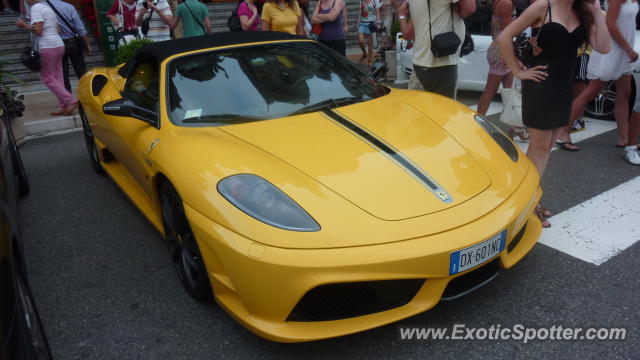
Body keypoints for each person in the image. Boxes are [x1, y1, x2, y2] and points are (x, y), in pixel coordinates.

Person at [496, 0, 610, 227]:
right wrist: (518, 71)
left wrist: (597, 12)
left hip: (564, 88)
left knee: (546, 148)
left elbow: (604, 47)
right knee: (538, 148)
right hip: (540, 85)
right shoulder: (543, 6)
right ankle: (528, 204)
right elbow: (504, 37)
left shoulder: (583, 11)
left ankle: (531, 198)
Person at [558, 0, 639, 162]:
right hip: (612, 50)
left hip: (623, 51)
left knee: (624, 94)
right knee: (590, 92)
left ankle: (623, 138)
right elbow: (610, 23)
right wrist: (628, 49)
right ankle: (563, 132)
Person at [397, 0, 476, 99]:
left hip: (419, 66)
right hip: (443, 64)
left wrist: (401, 15)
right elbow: (469, 8)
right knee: (443, 112)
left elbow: (408, 34)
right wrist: (457, 9)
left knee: (418, 112)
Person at [16, 0, 77, 115]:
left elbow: (38, 30)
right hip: (58, 44)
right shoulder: (47, 8)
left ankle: (71, 101)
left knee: (47, 78)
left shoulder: (35, 8)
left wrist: (24, 25)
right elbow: (58, 29)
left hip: (48, 46)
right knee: (58, 77)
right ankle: (63, 105)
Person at [477, 0, 516, 130]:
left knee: (509, 93)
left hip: (502, 49)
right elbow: (509, 31)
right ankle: (476, 123)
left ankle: (515, 128)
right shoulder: (506, 3)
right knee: (490, 91)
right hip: (502, 52)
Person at [46, 0, 92, 93]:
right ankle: (87, 94)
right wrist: (87, 44)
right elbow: (80, 28)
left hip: (56, 45)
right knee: (81, 71)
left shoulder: (42, 8)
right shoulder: (68, 7)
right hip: (72, 43)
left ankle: (68, 99)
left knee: (62, 74)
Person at [355, 0, 380, 65]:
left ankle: (370, 60)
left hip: (372, 23)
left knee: (369, 42)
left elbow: (377, 12)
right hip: (362, 23)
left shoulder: (375, 1)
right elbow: (359, 11)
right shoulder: (361, 1)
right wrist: (356, 22)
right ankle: (365, 54)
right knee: (360, 42)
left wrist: (378, 22)